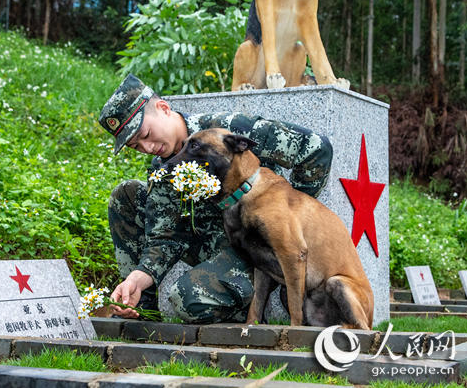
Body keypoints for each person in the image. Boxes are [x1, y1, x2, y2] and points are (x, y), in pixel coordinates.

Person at [98, 74, 333, 323]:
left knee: (187, 299)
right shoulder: (162, 167)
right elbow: (165, 237)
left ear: (163, 108)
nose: (146, 147)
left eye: (145, 134)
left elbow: (315, 148)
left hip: (253, 248)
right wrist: (138, 277)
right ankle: (139, 310)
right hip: (211, 244)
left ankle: (248, 304)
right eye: (136, 146)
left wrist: (288, 224)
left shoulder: (226, 132)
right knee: (126, 194)